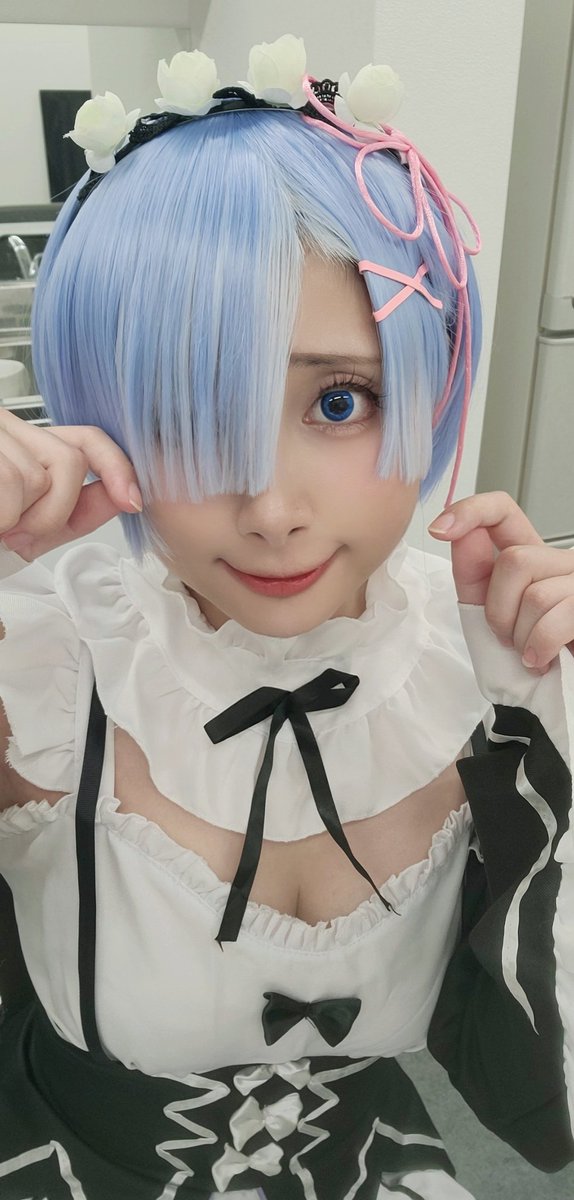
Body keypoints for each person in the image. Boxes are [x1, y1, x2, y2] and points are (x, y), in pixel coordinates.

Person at [0, 34, 572, 1200]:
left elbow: (540, 1079)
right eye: (188, 410)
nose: (270, 510)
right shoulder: (49, 654)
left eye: (340, 401)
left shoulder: (483, 662)